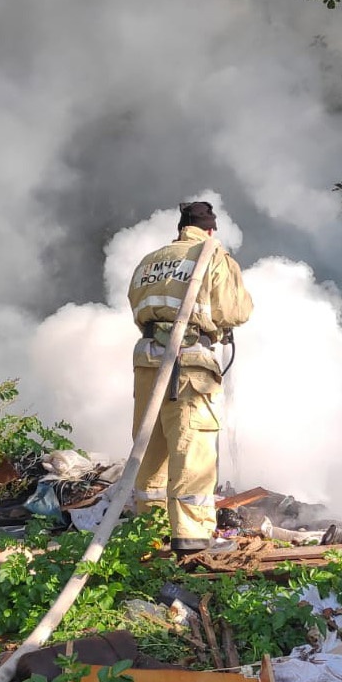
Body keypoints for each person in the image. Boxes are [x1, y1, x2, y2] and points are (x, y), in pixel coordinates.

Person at [128, 201, 254, 553]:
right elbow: (235, 310)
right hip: (190, 366)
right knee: (191, 446)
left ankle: (148, 532)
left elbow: (136, 305)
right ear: (210, 229)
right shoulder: (213, 255)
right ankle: (191, 537)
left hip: (147, 362)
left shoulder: (151, 259)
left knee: (150, 446)